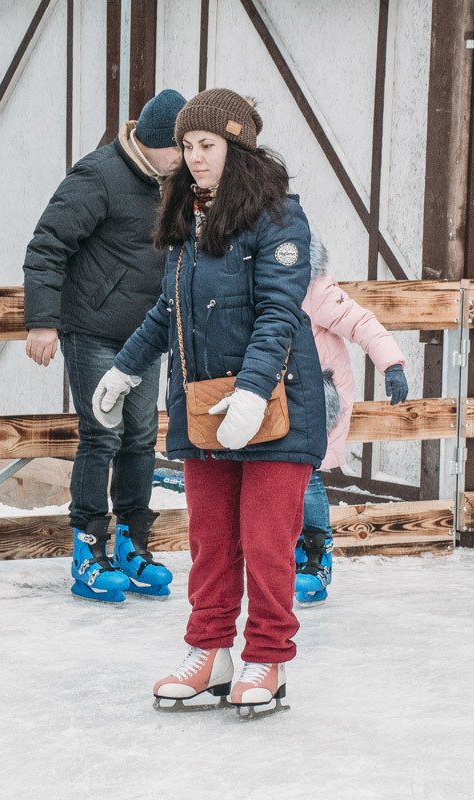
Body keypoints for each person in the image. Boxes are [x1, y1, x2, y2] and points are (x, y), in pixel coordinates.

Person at [91, 89, 326, 716]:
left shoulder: (279, 218)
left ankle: (268, 658)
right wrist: (125, 370)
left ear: (237, 148)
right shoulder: (187, 220)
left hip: (276, 406)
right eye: (188, 147)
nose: (195, 158)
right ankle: (210, 653)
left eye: (208, 146)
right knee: (211, 543)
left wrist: (252, 390)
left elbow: (279, 313)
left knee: (266, 542)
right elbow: (169, 311)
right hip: (203, 408)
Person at [23, 89, 187, 602]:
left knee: (141, 438)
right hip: (93, 330)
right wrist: (42, 322)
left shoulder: (176, 183)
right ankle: (88, 550)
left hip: (145, 335)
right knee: (102, 435)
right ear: (151, 142)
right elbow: (47, 246)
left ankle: (133, 544)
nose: (186, 158)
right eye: (177, 148)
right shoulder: (100, 175)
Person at [294, 238, 409, 606]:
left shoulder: (314, 288)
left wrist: (391, 365)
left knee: (306, 473)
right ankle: (285, 551)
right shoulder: (256, 279)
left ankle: (315, 555)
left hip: (315, 393)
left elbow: (361, 323)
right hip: (270, 393)